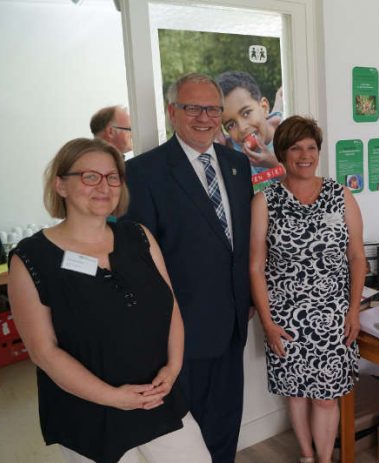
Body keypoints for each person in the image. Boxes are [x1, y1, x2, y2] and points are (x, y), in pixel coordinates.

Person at [7, 138, 210, 463]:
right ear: (60, 184)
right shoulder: (31, 259)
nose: (104, 186)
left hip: (158, 396)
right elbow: (43, 352)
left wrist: (172, 369)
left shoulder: (140, 237)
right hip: (89, 414)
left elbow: (170, 308)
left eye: (112, 176)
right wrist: (114, 398)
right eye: (89, 176)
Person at [123, 73, 253, 463]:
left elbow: (237, 242)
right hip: (182, 328)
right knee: (187, 431)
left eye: (212, 109)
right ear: (172, 112)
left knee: (227, 417)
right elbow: (139, 258)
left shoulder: (236, 164)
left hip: (233, 320)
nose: (204, 117)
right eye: (192, 107)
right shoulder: (144, 172)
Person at [250, 116, 365, 463]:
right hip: (284, 317)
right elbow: (255, 266)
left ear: (318, 152)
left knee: (326, 397)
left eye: (311, 147)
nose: (304, 155)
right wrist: (267, 323)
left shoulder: (340, 195)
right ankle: (305, 455)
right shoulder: (265, 201)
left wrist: (354, 309)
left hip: (334, 316)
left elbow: (357, 256)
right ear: (282, 153)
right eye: (295, 148)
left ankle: (324, 459)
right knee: (296, 394)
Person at [216, 71, 282, 172]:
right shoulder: (233, 149)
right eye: (231, 125)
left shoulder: (289, 139)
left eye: (246, 113)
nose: (242, 128)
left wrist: (274, 166)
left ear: (264, 108)